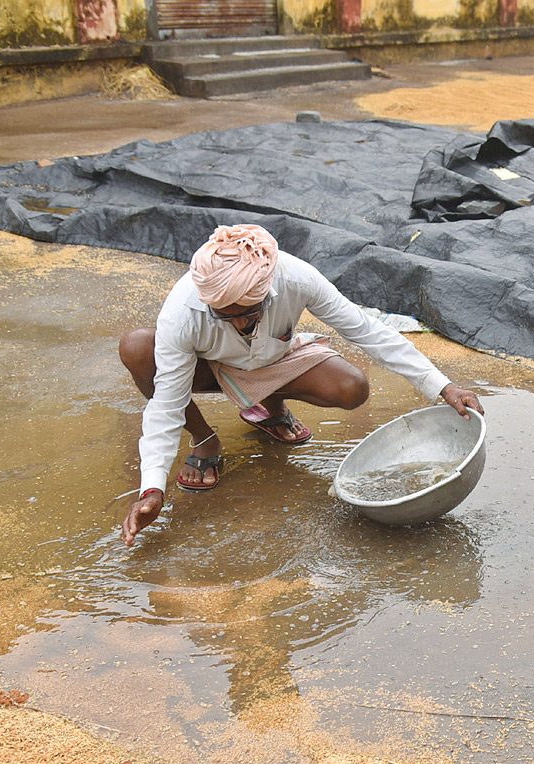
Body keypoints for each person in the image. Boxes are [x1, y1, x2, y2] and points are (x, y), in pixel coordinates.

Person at [119, 224, 484, 546]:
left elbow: (367, 330)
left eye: (249, 314)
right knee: (137, 348)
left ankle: (269, 407)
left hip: (275, 357)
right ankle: (204, 438)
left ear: (265, 292)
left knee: (352, 387)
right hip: (209, 366)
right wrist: (153, 488)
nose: (239, 325)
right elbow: (166, 403)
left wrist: (441, 385)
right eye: (224, 317)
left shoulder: (295, 277)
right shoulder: (183, 313)